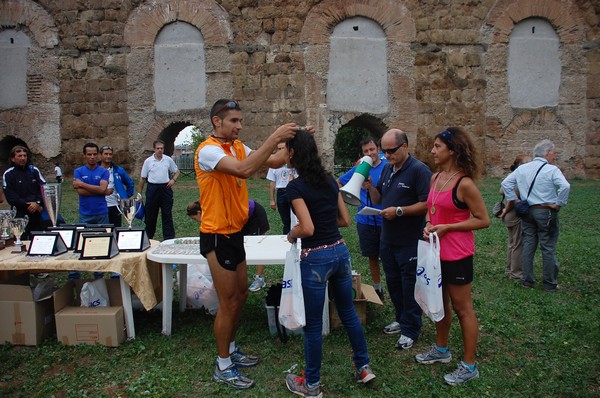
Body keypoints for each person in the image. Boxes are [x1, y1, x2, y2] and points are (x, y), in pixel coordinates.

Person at [194, 99, 298, 390]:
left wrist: (291, 140)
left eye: (240, 121)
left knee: (240, 295)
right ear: (217, 121)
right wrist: (275, 137)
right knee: (228, 303)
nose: (239, 126)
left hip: (235, 234)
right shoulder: (208, 150)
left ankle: (231, 347)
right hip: (216, 235)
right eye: (234, 121)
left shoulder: (238, 147)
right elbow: (242, 170)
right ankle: (222, 364)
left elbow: (274, 162)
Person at [284, 130, 375, 397]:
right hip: (340, 252)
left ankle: (311, 384)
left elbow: (308, 228)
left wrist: (291, 234)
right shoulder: (328, 180)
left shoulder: (295, 187)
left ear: (292, 154)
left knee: (313, 325)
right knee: (347, 312)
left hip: (315, 259)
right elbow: (345, 220)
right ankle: (363, 366)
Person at [415, 127, 490, 386]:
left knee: (462, 308)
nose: (433, 151)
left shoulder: (464, 183)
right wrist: (428, 223)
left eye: (437, 146)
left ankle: (470, 366)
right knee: (440, 303)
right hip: (435, 254)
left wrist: (449, 228)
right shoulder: (436, 178)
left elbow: (483, 220)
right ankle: (441, 349)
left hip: (457, 254)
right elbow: (430, 209)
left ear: (452, 150)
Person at [365, 129, 431, 348]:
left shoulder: (419, 170)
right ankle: (401, 319)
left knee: (409, 284)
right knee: (393, 283)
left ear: (404, 147)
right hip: (388, 239)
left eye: (391, 151)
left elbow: (426, 204)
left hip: (409, 240)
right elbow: (380, 198)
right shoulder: (387, 168)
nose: (387, 155)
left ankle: (411, 328)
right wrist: (369, 186)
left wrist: (400, 211)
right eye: (384, 151)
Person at [501, 139, 570, 291]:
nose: (554, 156)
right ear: (547, 153)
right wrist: (559, 203)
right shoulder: (552, 170)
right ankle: (550, 283)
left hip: (527, 211)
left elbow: (506, 184)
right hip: (545, 211)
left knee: (528, 245)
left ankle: (527, 280)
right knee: (547, 246)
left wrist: (516, 200)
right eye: (553, 153)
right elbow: (565, 186)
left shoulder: (523, 168)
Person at [337, 136, 388, 301]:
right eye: (366, 151)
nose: (370, 153)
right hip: (366, 220)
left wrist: (371, 187)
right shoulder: (361, 168)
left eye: (372, 149)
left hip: (386, 218)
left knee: (389, 257)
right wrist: (356, 190)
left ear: (378, 150)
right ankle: (378, 287)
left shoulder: (387, 167)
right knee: (372, 256)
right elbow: (339, 183)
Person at [248, 143, 298, 292]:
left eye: (284, 148)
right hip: (281, 192)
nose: (281, 150)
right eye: (279, 148)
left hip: (293, 189)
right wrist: (272, 199)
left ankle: (296, 238)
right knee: (285, 220)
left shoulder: (294, 163)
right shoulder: (274, 165)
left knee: (296, 217)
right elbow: (272, 182)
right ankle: (287, 239)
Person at [71, 143, 110, 279]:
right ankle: (75, 275)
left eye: (94, 154)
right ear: (84, 155)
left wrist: (82, 184)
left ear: (98, 155)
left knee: (102, 244)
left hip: (101, 213)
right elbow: (81, 192)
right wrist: (98, 190)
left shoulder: (104, 171)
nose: (92, 157)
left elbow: (102, 190)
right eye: (89, 154)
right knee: (81, 245)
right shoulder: (79, 171)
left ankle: (99, 274)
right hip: (85, 214)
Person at [498, 154, 532, 280]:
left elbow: (501, 190)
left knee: (512, 243)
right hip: (514, 214)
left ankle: (509, 269)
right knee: (518, 244)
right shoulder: (519, 178)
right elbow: (509, 195)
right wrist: (508, 208)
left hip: (509, 215)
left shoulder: (511, 177)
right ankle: (516, 273)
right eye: (528, 163)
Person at [138, 139, 180, 240]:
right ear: (154, 149)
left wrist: (173, 180)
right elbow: (143, 178)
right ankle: (148, 238)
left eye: (161, 148)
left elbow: (177, 171)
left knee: (167, 214)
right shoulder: (148, 161)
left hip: (165, 189)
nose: (160, 150)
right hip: (152, 189)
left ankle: (169, 238)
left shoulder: (168, 160)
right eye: (158, 148)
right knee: (150, 215)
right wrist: (139, 194)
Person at [2, 145, 46, 240]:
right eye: (20, 156)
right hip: (20, 214)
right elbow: (11, 196)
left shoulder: (34, 170)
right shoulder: (8, 174)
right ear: (13, 159)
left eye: (25, 156)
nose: (23, 158)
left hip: (37, 213)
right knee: (20, 240)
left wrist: (37, 203)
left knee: (39, 239)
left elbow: (43, 188)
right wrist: (28, 205)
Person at [100, 145, 135, 227]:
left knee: (115, 229)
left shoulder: (118, 170)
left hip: (115, 205)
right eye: (106, 154)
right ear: (100, 155)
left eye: (110, 154)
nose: (108, 156)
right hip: (100, 205)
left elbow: (130, 183)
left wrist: (125, 197)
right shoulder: (96, 170)